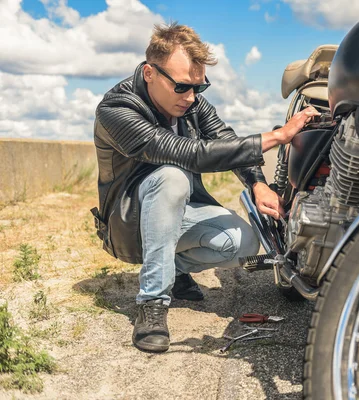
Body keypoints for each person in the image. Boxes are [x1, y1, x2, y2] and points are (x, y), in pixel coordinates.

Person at [91, 22, 319, 353]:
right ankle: (152, 302)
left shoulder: (191, 103)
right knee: (172, 175)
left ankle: (172, 270)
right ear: (150, 73)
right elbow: (189, 154)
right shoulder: (117, 109)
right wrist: (278, 136)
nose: (191, 97)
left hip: (174, 216)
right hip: (128, 224)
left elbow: (224, 139)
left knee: (244, 240)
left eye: (199, 86)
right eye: (182, 86)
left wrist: (258, 184)